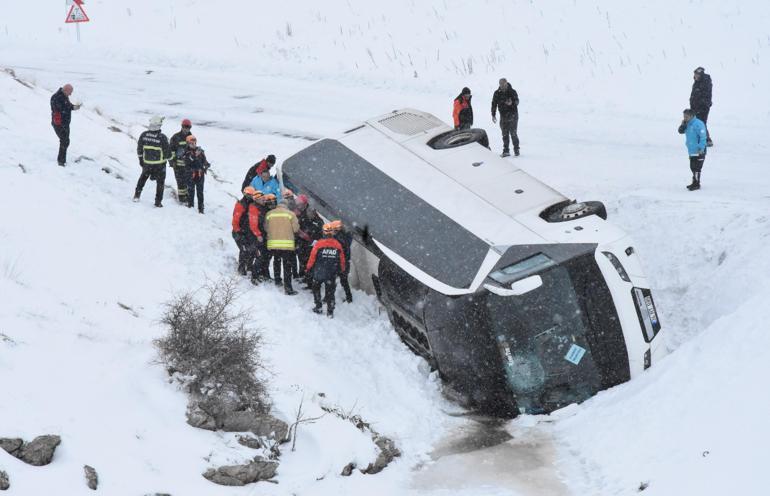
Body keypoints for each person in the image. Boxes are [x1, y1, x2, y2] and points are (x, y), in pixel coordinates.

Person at [307, 223, 347, 317]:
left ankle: (318, 306)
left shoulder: (318, 244)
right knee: (330, 293)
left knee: (316, 288)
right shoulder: (337, 245)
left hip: (319, 272)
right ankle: (330, 311)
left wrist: (308, 268)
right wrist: (342, 269)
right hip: (331, 273)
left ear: (323, 232)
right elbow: (342, 260)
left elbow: (312, 258)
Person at [134, 116, 170, 207]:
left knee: (142, 179)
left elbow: (139, 149)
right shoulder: (162, 137)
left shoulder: (144, 135)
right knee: (160, 183)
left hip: (147, 164)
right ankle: (158, 202)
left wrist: (141, 160)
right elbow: (168, 154)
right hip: (160, 165)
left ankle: (136, 195)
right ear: (159, 125)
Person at [265, 198, 300, 295]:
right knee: (287, 266)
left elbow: (266, 228)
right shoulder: (290, 214)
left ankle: (277, 280)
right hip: (286, 244)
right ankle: (288, 288)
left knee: (276, 261)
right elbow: (296, 229)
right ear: (286, 206)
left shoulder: (269, 214)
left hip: (273, 244)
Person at [232, 187, 265, 282]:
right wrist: (239, 232)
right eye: (249, 195)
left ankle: (249, 267)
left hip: (246, 231)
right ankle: (241, 269)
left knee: (250, 249)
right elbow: (235, 221)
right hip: (239, 232)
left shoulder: (250, 204)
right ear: (246, 195)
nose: (251, 197)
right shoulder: (241, 205)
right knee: (244, 249)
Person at [295, 195, 324, 286]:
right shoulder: (301, 213)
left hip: (310, 243)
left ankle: (310, 280)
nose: (299, 206)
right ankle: (305, 277)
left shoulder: (313, 216)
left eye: (300, 204)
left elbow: (319, 228)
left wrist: (314, 239)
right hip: (303, 242)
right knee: (302, 260)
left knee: (309, 262)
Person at [50, 84, 81, 166]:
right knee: (64, 141)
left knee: (65, 141)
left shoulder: (64, 96)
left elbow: (68, 106)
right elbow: (60, 108)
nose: (70, 94)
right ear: (66, 90)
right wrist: (69, 107)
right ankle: (61, 161)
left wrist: (74, 107)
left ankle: (61, 160)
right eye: (70, 92)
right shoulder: (56, 97)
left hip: (65, 123)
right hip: (59, 124)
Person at [677, 109, 708, 191]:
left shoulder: (698, 124)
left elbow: (703, 137)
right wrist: (683, 125)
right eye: (684, 116)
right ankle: (694, 182)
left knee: (697, 168)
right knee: (692, 167)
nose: (684, 118)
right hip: (691, 150)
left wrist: (701, 148)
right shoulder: (687, 123)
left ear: (691, 116)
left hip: (699, 150)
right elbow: (680, 131)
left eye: (686, 117)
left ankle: (697, 184)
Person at [491, 78, 520, 157]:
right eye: (501, 84)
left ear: (506, 83)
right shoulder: (497, 93)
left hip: (513, 115)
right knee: (504, 134)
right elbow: (494, 104)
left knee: (513, 133)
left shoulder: (512, 91)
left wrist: (512, 103)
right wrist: (493, 114)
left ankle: (516, 149)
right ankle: (506, 151)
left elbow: (517, 101)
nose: (502, 86)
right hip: (503, 116)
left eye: (504, 84)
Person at [181, 135, 210, 213]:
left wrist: (206, 165)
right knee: (191, 191)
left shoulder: (200, 151)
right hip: (190, 175)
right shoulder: (185, 152)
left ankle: (201, 208)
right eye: (191, 143)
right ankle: (190, 206)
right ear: (187, 143)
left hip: (200, 174)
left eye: (194, 143)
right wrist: (194, 155)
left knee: (200, 192)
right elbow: (186, 162)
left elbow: (204, 160)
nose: (193, 144)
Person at [169, 119, 193, 203]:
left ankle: (187, 196)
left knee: (188, 181)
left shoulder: (191, 137)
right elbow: (171, 150)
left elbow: (193, 149)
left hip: (188, 165)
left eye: (188, 127)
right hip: (178, 165)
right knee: (180, 182)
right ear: (181, 126)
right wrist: (172, 162)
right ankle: (182, 198)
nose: (186, 128)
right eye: (184, 127)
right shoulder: (175, 137)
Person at [330, 220, 353, 303]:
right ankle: (349, 297)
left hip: (338, 262)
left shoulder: (337, 237)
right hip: (345, 263)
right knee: (344, 281)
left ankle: (328, 297)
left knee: (331, 280)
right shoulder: (347, 236)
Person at [690, 67, 713, 147]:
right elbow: (694, 94)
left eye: (696, 74)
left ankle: (707, 140)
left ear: (700, 74)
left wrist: (701, 103)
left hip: (703, 107)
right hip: (695, 106)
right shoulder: (697, 82)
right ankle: (701, 138)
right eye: (694, 74)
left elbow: (706, 95)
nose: (695, 76)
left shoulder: (705, 81)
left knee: (701, 123)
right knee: (697, 123)